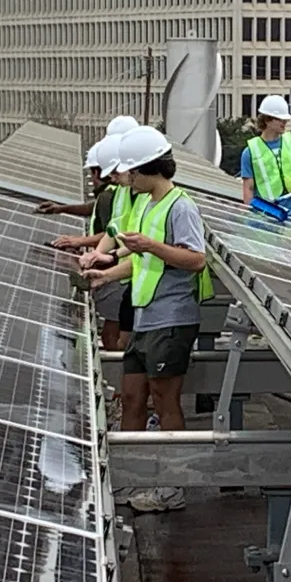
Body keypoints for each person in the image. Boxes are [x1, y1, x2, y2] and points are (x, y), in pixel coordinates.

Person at [83, 125, 213, 513]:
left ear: (149, 169)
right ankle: (129, 478)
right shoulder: (142, 204)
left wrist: (151, 246)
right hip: (145, 316)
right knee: (133, 394)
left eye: (132, 173)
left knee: (165, 399)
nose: (127, 180)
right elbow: (140, 261)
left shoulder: (181, 206)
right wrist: (106, 274)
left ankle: (171, 486)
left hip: (171, 318)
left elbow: (196, 259)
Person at [51, 140, 122, 349]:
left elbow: (115, 232)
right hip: (112, 267)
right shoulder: (111, 195)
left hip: (116, 271)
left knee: (114, 333)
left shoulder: (111, 195)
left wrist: (80, 242)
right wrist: (61, 208)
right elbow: (108, 224)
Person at [79, 133, 142, 349]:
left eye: (115, 173)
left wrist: (109, 260)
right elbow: (115, 228)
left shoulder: (148, 195)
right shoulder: (124, 191)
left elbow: (145, 243)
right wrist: (99, 253)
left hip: (145, 281)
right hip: (130, 275)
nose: (112, 179)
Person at [240, 95, 291, 217]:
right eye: (280, 119)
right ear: (267, 120)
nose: (285, 122)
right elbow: (248, 189)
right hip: (263, 215)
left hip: (289, 215)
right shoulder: (249, 152)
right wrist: (250, 216)